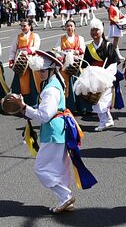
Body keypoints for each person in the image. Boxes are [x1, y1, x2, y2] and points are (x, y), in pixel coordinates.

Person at [17, 49, 96, 213]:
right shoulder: (56, 82)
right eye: (38, 71)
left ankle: (66, 196)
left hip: (54, 132)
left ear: (53, 69)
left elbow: (44, 116)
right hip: (60, 130)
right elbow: (46, 110)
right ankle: (64, 199)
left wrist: (24, 108)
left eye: (43, 71)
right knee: (60, 167)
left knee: (41, 168)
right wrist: (28, 110)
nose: (40, 74)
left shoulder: (50, 89)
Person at [82, 20, 121, 130]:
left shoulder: (108, 45)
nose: (94, 33)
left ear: (101, 31)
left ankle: (103, 122)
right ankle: (107, 120)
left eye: (97, 30)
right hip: (94, 78)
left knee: (102, 100)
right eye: (92, 30)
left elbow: (114, 63)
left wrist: (105, 74)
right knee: (96, 100)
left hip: (106, 77)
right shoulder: (89, 47)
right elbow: (86, 63)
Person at [10, 19, 42, 107]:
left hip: (32, 63)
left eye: (25, 25)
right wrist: (11, 60)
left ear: (30, 26)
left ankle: (34, 103)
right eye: (22, 26)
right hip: (20, 63)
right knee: (18, 85)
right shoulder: (18, 37)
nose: (23, 27)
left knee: (33, 84)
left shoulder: (35, 36)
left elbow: (36, 47)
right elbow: (13, 50)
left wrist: (28, 51)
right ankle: (19, 105)